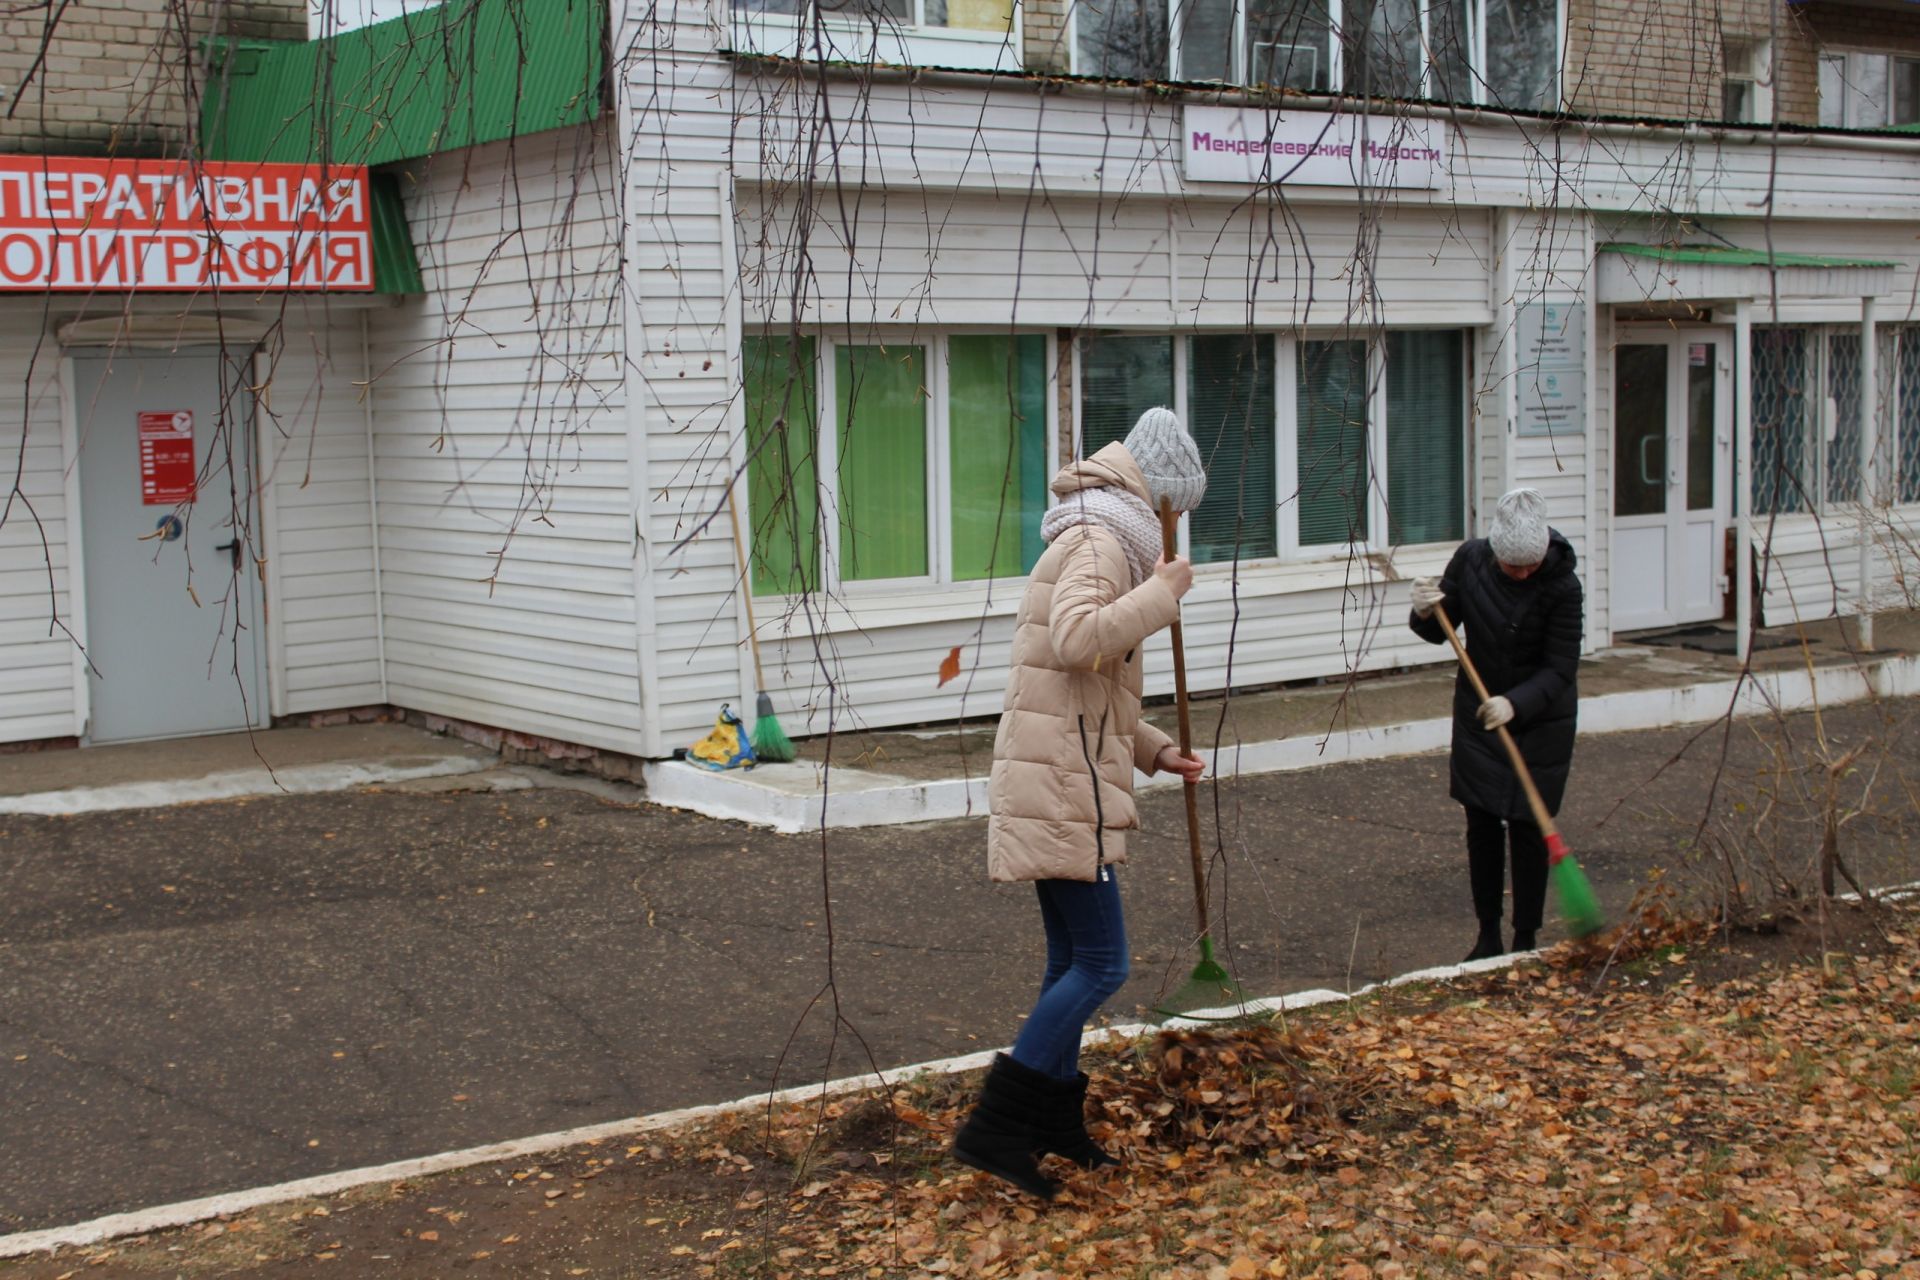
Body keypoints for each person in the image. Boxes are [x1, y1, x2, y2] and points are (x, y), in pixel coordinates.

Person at [950, 407, 1209, 1200]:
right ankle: (998, 1123)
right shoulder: (1102, 539)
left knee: (1071, 961)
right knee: (1105, 963)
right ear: (1157, 495)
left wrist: (1155, 747)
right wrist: (1161, 595)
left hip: (1061, 772)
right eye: (1176, 513)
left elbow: (1087, 688)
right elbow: (1077, 641)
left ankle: (1054, 1120)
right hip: (1062, 786)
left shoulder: (1101, 531)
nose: (1174, 533)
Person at [1408, 487, 1583, 962]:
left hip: (1541, 718)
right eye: (1514, 566)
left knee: (1527, 827)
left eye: (1531, 565)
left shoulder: (1563, 585)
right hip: (1478, 714)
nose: (1524, 573)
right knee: (1482, 822)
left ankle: (1525, 937)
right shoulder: (1470, 561)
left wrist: (1516, 703)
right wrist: (1424, 609)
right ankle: (1487, 935)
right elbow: (1436, 630)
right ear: (1496, 551)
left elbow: (1562, 666)